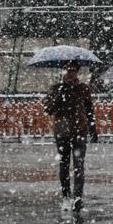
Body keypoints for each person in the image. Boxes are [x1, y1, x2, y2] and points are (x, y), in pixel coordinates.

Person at [44, 61, 97, 213]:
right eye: (68, 70)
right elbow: (48, 109)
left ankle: (78, 197)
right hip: (62, 131)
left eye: (73, 70)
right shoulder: (56, 88)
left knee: (79, 165)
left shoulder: (83, 88)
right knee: (64, 164)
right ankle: (66, 195)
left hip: (79, 130)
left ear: (77, 72)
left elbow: (89, 109)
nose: (70, 72)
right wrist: (60, 94)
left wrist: (92, 129)